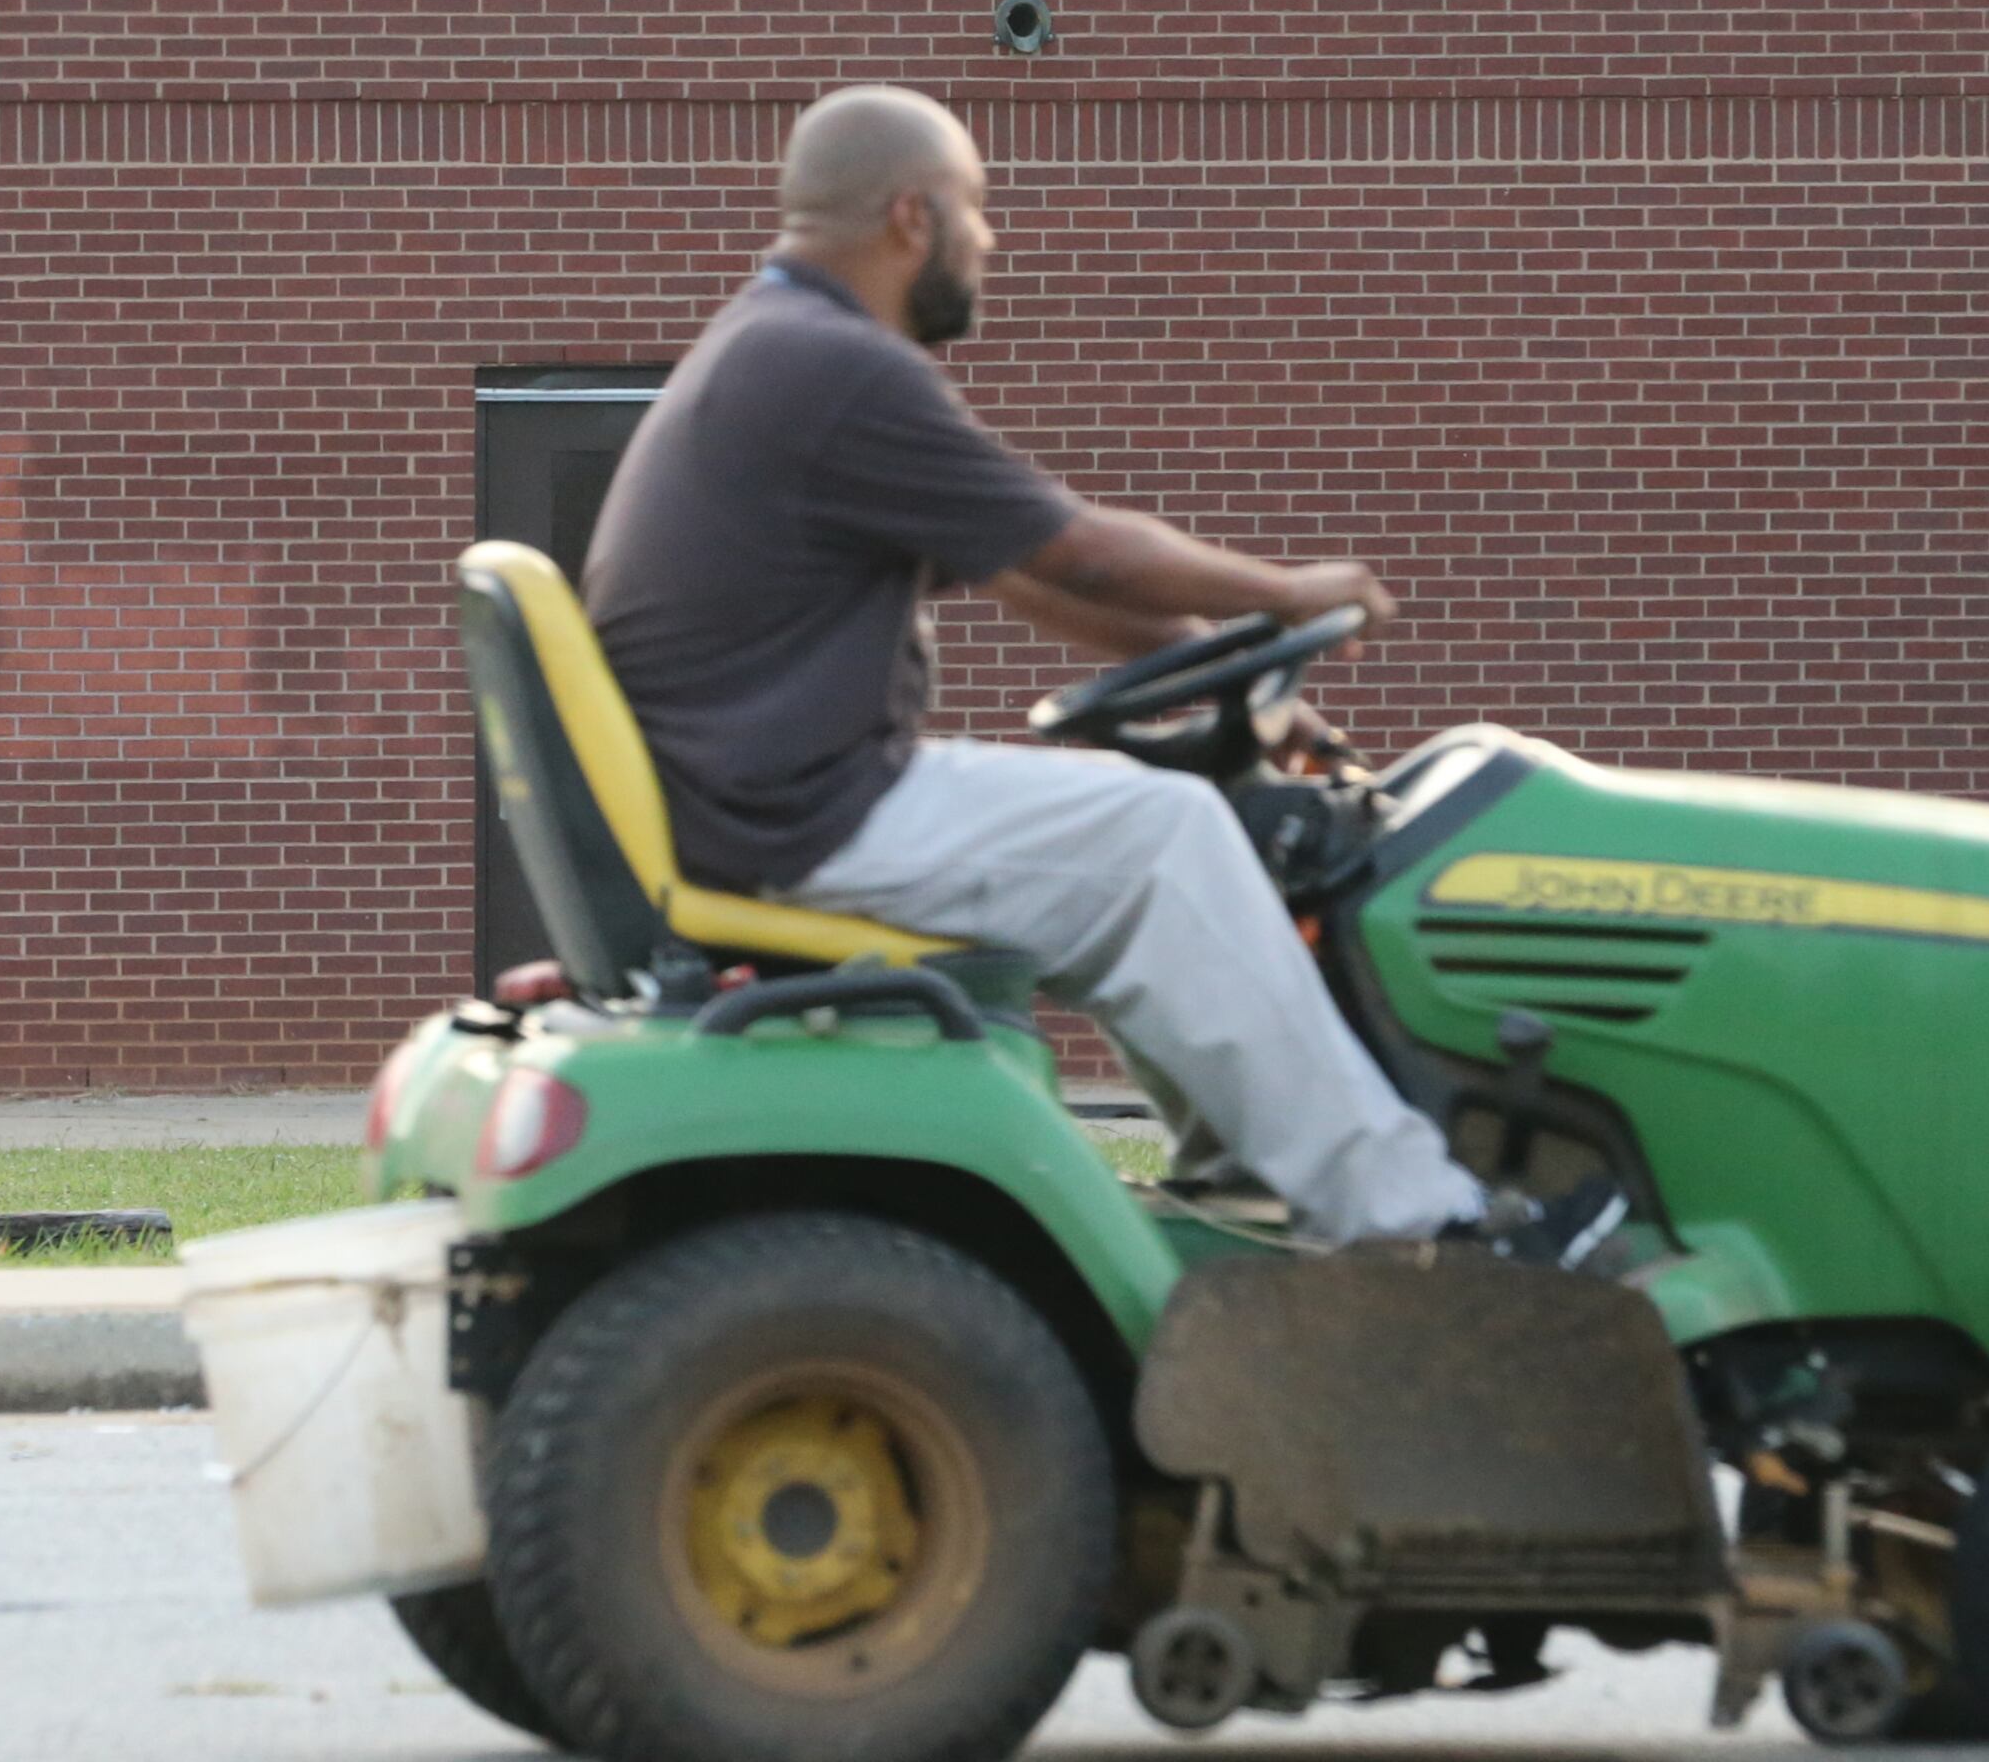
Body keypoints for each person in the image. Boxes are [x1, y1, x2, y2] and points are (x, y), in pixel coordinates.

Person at [583, 84, 1619, 1261]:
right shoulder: (835, 371)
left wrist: (1241, 682)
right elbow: (1078, 547)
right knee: (1164, 838)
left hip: (760, 795)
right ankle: (1420, 1220)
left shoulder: (780, 353)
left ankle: (1245, 1170)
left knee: (1152, 848)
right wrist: (1289, 592)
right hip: (794, 815)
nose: (993, 239)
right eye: (977, 209)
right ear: (911, 218)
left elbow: (1032, 580)